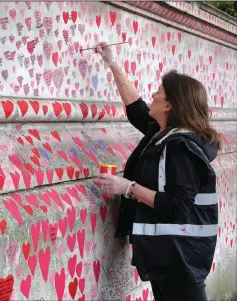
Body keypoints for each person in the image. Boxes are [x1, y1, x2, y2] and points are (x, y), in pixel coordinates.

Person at [94, 41, 220, 301]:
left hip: (181, 259)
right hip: (168, 255)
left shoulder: (181, 147)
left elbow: (177, 207)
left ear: (170, 105)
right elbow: (135, 107)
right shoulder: (162, 132)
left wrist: (127, 188)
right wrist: (112, 62)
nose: (152, 94)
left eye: (159, 92)